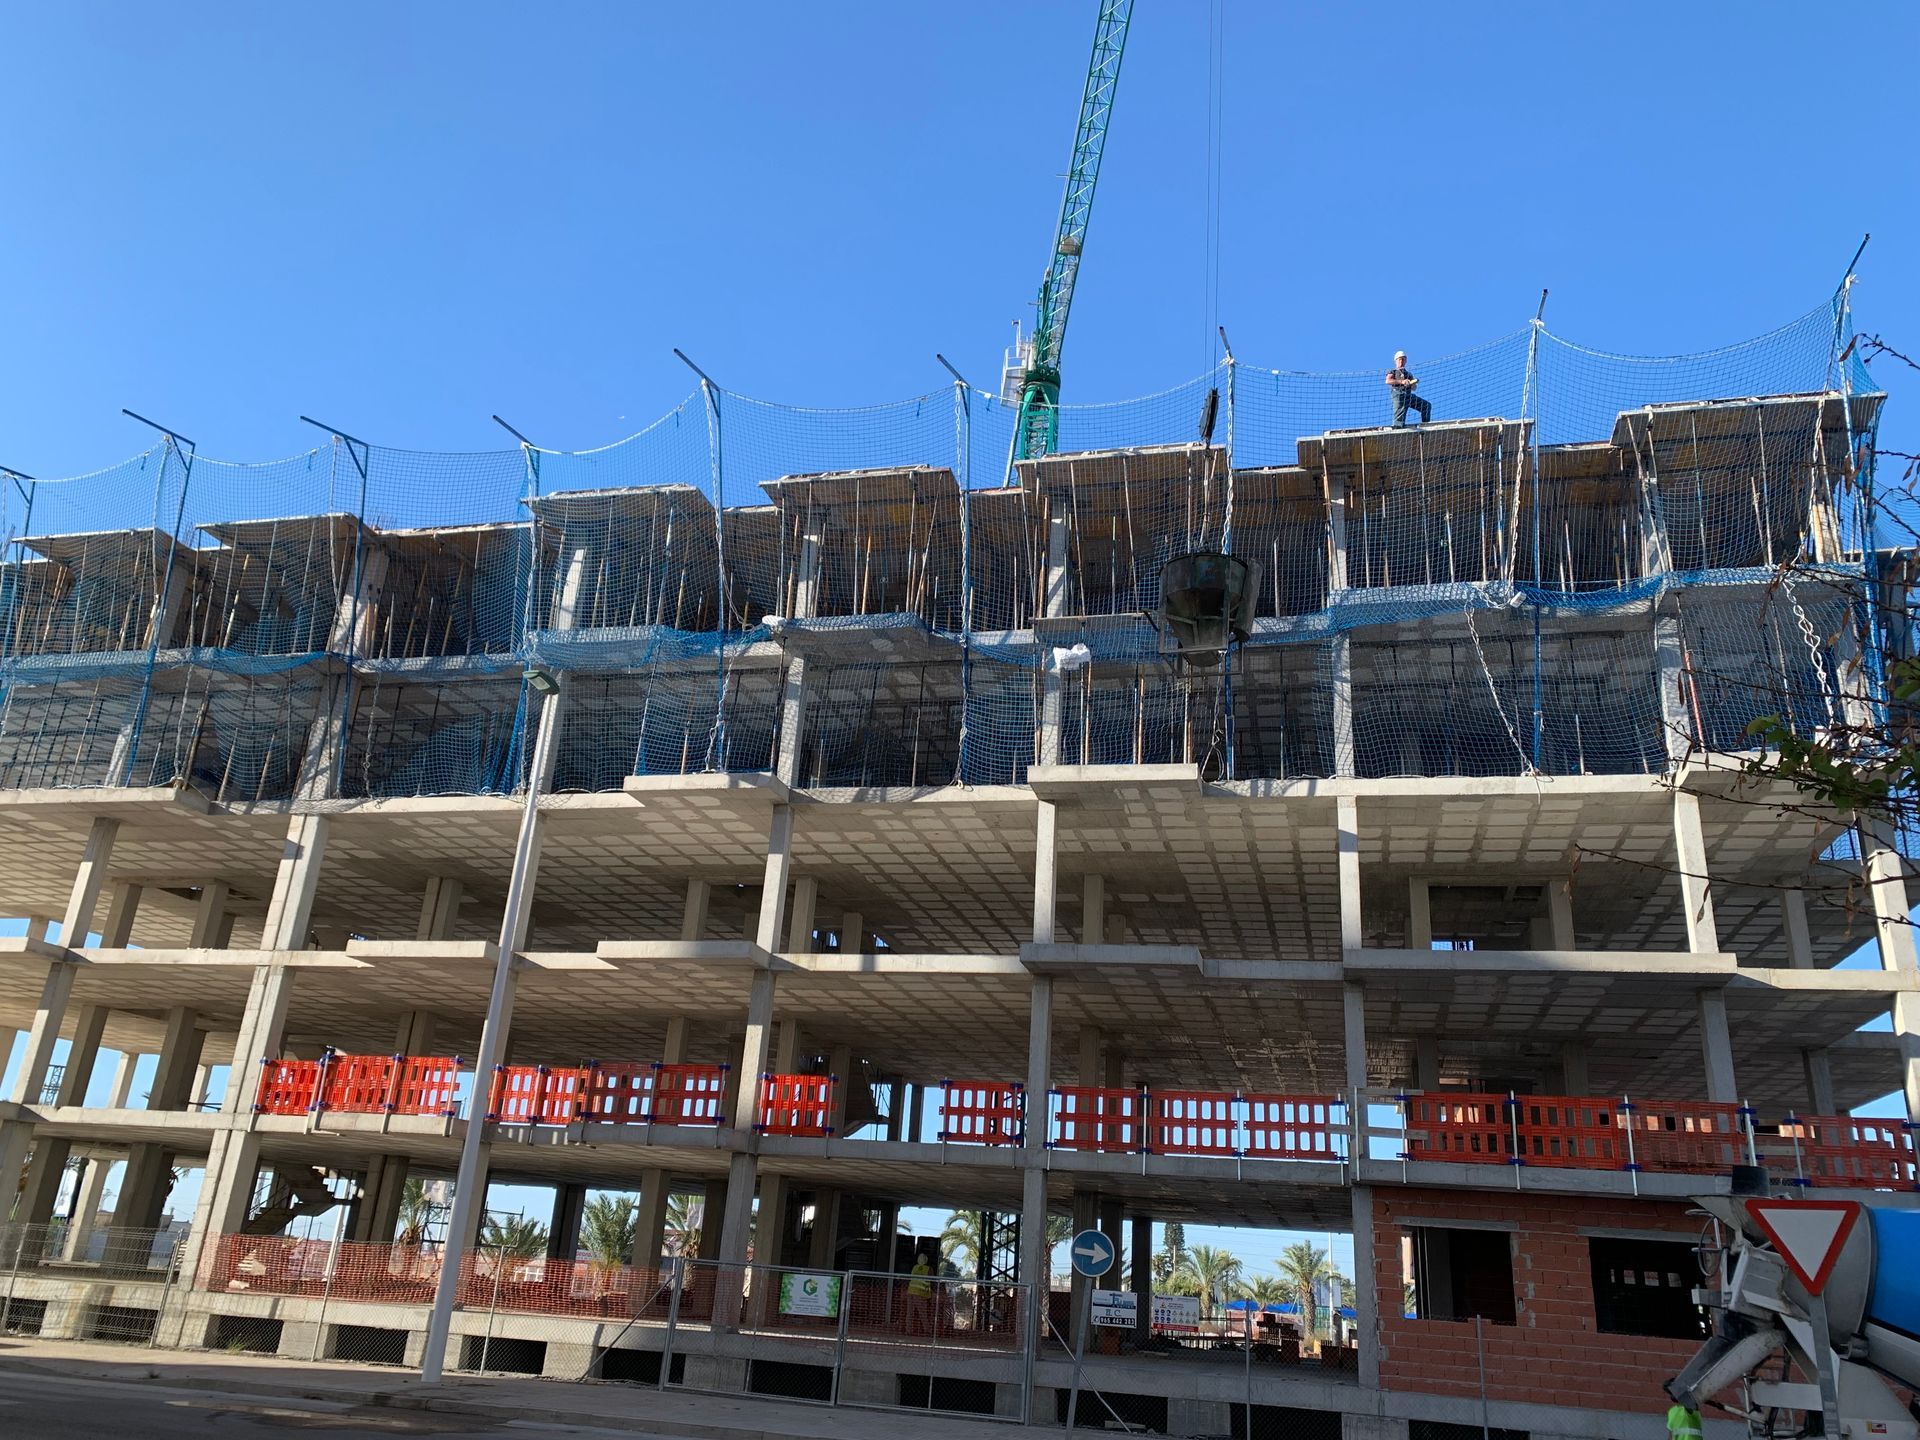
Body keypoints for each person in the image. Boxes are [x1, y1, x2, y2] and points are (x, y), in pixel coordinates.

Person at [1385, 351, 1432, 426]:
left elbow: (1414, 388)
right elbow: (1388, 381)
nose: (1401, 361)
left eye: (1403, 359)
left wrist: (1413, 383)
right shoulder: (1393, 371)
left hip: (1408, 396)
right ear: (1395, 361)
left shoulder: (1408, 374)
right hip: (1398, 395)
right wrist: (1402, 382)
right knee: (1399, 418)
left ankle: (1426, 425)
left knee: (1426, 406)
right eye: (1399, 359)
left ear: (1406, 361)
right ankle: (1398, 429)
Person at [907, 1245, 935, 1335]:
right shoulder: (928, 1269)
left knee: (910, 1312)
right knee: (922, 1312)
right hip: (920, 1293)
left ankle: (908, 1330)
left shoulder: (914, 1267)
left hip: (910, 1291)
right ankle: (927, 1330)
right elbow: (933, 1281)